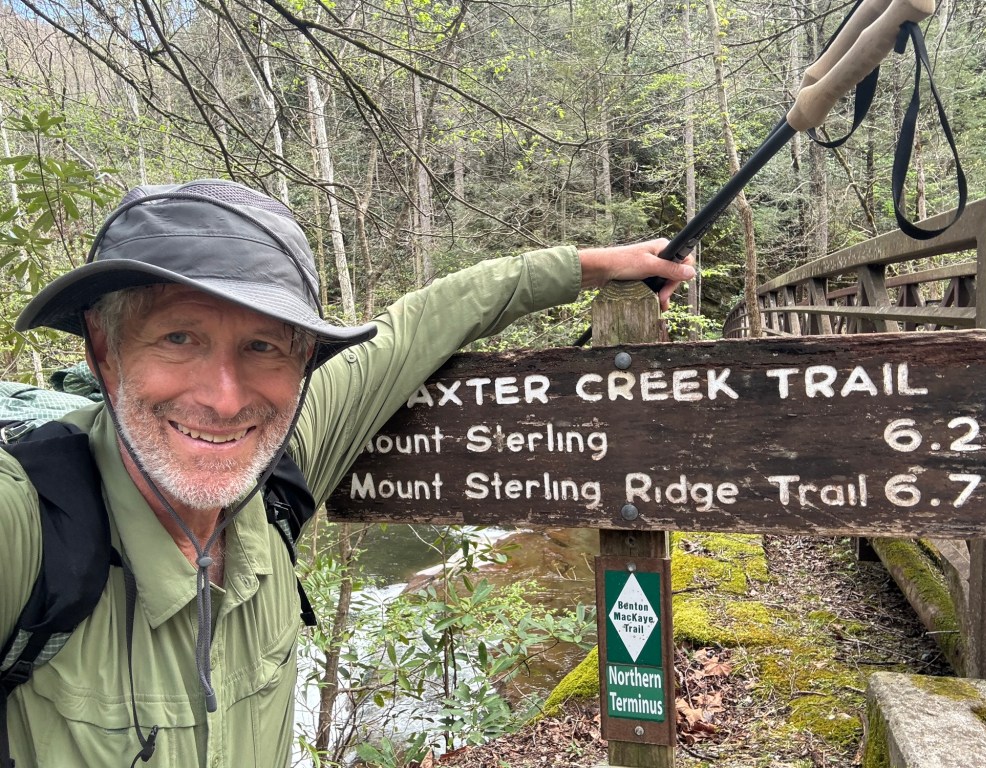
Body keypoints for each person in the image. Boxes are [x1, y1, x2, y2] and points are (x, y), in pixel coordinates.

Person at [0, 179, 696, 767]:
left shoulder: (280, 463)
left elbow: (423, 323)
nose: (225, 398)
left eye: (263, 345)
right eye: (179, 337)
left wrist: (591, 268)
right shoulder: (29, 522)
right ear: (104, 349)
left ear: (303, 362)